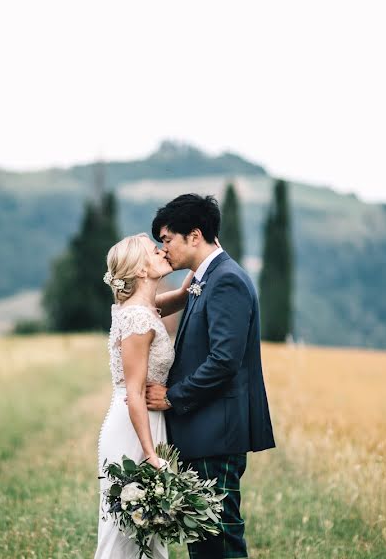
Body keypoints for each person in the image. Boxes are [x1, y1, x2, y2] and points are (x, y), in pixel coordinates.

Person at [145, 193, 276, 559]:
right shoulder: (207, 279)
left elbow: (223, 360)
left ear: (195, 235)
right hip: (207, 433)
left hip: (215, 434)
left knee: (219, 542)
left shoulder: (226, 280)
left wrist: (173, 396)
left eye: (167, 239)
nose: (163, 248)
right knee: (206, 543)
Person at [95, 233, 192, 559]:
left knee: (148, 531)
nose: (163, 250)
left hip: (148, 423)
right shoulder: (137, 318)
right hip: (134, 428)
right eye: (155, 251)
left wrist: (201, 255)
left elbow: (182, 295)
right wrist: (151, 454)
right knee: (124, 533)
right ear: (140, 270)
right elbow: (134, 393)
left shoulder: (144, 307)